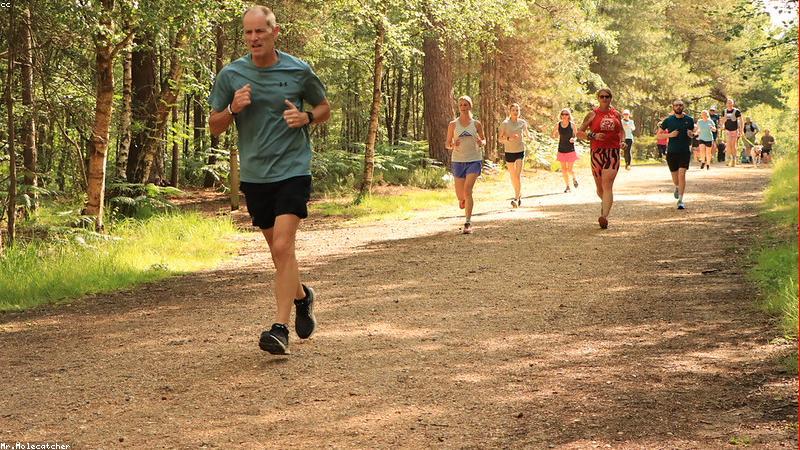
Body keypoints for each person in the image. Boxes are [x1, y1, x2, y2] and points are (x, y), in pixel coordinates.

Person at [208, 6, 331, 355]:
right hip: (256, 175)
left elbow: (324, 108)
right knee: (280, 255)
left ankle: (280, 328)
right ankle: (303, 296)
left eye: (260, 31)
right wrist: (232, 109)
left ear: (275, 32)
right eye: (248, 33)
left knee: (282, 246)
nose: (253, 38)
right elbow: (214, 125)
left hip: (293, 169)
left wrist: (306, 117)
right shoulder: (231, 75)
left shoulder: (298, 70)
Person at [577, 88, 626, 229]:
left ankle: (604, 216)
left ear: (611, 98)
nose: (605, 99)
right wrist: (593, 136)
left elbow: (621, 130)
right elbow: (579, 132)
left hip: (613, 152)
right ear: (598, 98)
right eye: (602, 96)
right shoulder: (592, 114)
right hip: (597, 152)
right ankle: (605, 203)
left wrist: (622, 141)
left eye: (607, 96)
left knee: (607, 184)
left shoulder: (616, 114)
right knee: (599, 188)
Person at [446, 95, 486, 234]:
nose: (463, 107)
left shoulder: (476, 124)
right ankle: (462, 200)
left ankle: (468, 222)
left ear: (470, 106)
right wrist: (452, 144)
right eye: (461, 105)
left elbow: (483, 140)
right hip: (458, 160)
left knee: (468, 190)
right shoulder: (453, 124)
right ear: (459, 107)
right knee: (461, 195)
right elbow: (447, 144)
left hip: (474, 159)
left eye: (465, 105)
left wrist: (481, 143)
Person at [659, 99, 695, 210]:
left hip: (684, 151)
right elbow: (658, 135)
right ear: (673, 107)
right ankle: (677, 187)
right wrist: (670, 135)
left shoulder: (689, 120)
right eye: (676, 105)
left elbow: (693, 133)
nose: (678, 107)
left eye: (680, 105)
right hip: (672, 152)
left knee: (682, 174)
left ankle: (680, 200)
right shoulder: (668, 120)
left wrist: (691, 134)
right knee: (675, 178)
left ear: (683, 107)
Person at [499, 103, 530, 207]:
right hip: (509, 152)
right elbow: (500, 138)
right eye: (513, 110)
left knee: (517, 175)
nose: (515, 112)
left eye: (517, 110)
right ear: (510, 111)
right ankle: (519, 193)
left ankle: (516, 198)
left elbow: (527, 134)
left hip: (520, 150)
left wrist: (530, 138)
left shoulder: (522, 122)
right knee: (513, 176)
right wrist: (509, 138)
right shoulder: (505, 123)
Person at [551, 108, 579, 192]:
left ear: (569, 116)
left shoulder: (572, 125)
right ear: (561, 115)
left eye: (566, 114)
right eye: (563, 114)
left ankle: (574, 178)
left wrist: (574, 139)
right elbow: (553, 134)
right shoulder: (558, 124)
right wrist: (555, 135)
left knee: (569, 169)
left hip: (570, 149)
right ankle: (567, 186)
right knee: (563, 169)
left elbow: (576, 136)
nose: (564, 116)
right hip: (561, 149)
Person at [722, 98, 743, 167]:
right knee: (728, 145)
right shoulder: (724, 111)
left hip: (734, 130)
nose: (729, 104)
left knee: (733, 145)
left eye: (730, 103)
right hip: (727, 130)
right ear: (726, 104)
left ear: (733, 103)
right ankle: (728, 159)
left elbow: (741, 120)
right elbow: (723, 120)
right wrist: (722, 125)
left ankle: (734, 159)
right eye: (728, 103)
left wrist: (741, 130)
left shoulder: (736, 111)